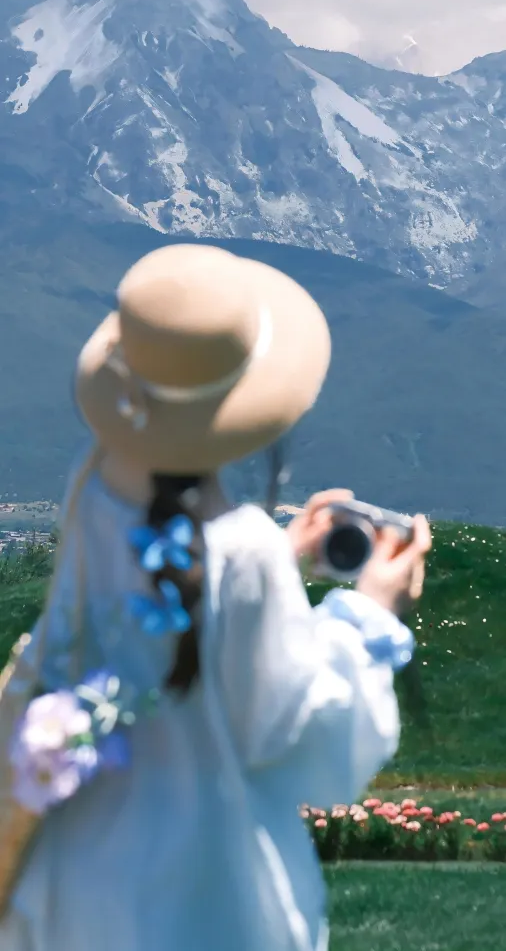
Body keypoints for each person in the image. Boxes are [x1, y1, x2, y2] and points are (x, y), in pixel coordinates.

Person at [0, 243, 431, 951]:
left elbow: (155, 622)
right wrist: (370, 617)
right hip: (211, 897)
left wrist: (270, 560)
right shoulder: (244, 551)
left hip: (80, 878)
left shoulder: (97, 488)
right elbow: (296, 735)